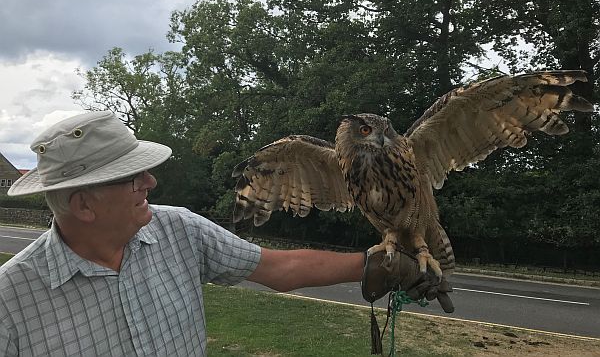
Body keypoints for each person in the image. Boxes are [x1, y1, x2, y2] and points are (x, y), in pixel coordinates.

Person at [0, 111, 448, 356]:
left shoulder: (178, 230)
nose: (151, 184)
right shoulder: (11, 301)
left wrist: (378, 266)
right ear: (83, 204)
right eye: (132, 177)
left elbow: (278, 267)